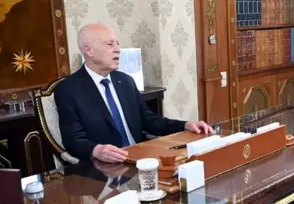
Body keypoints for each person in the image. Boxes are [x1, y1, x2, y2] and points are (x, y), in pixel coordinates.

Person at [56, 23, 214, 163]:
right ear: (88, 50)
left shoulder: (125, 81)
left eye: (117, 43)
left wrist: (185, 125)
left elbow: (149, 120)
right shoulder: (69, 89)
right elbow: (73, 139)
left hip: (142, 157)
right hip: (108, 166)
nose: (117, 49)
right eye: (109, 44)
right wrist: (97, 151)